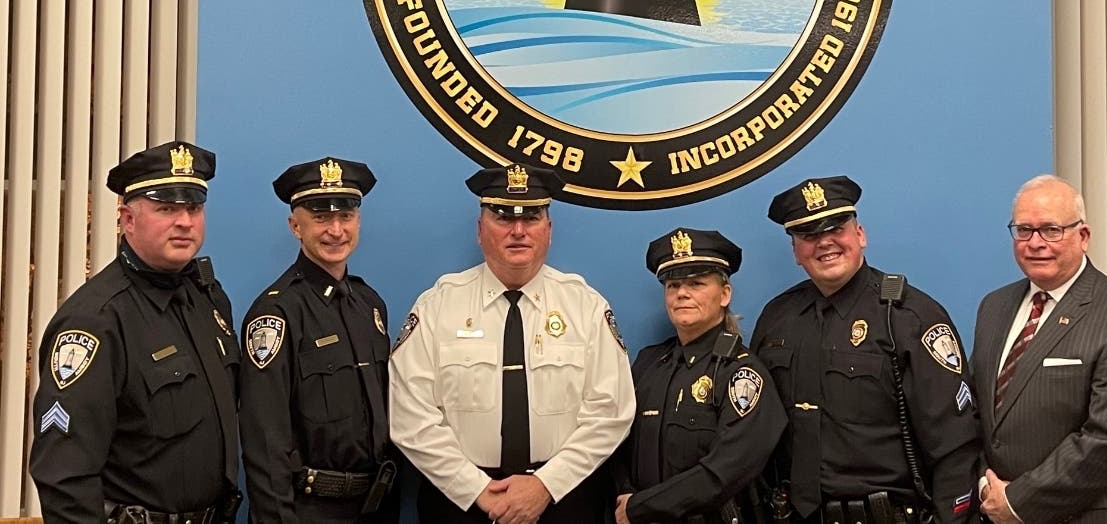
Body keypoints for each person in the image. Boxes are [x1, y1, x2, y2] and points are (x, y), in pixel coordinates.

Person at [389, 163, 635, 524]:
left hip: (563, 502)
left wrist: (545, 486)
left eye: (532, 218)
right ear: (479, 230)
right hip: (460, 506)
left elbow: (611, 412)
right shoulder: (438, 306)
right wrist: (476, 490)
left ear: (549, 231)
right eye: (503, 218)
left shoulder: (585, 306)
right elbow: (411, 416)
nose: (518, 231)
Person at [29, 140, 242, 524]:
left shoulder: (206, 299)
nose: (184, 222)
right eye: (166, 209)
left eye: (193, 208)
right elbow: (64, 476)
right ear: (128, 219)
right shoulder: (96, 321)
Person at [751, 175, 981, 524]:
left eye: (836, 229)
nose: (824, 243)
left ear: (860, 234)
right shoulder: (777, 318)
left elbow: (955, 444)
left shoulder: (909, 316)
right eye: (809, 235)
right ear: (795, 251)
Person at [970, 175, 1107, 524]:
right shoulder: (994, 308)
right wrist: (987, 485)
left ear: (1083, 236)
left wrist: (1016, 501)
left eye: (1051, 230)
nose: (1035, 243)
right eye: (1024, 230)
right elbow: (975, 412)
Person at [239, 157, 400, 523]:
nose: (336, 230)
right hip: (308, 509)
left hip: (374, 505)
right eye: (321, 218)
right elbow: (265, 441)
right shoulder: (276, 315)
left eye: (346, 216)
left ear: (358, 221)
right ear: (296, 225)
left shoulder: (369, 305)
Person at [613, 228, 786, 524]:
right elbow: (618, 440)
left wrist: (641, 507)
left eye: (696, 283)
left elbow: (726, 470)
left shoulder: (741, 373)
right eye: (673, 284)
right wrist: (625, 495)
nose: (682, 293)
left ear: (725, 294)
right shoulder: (648, 363)